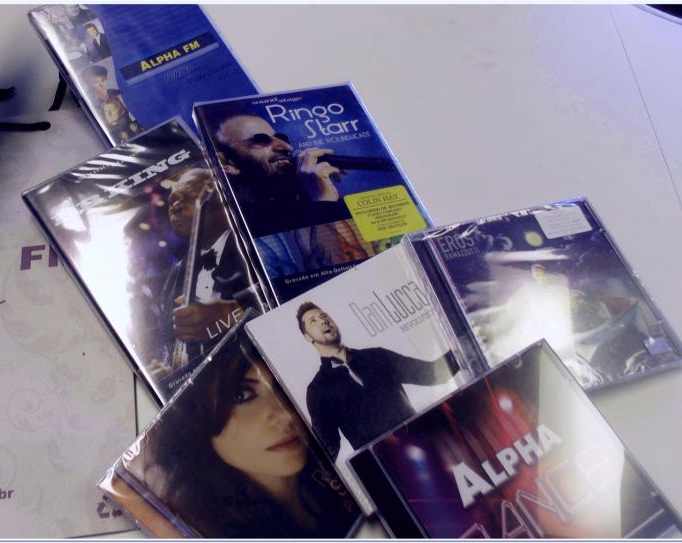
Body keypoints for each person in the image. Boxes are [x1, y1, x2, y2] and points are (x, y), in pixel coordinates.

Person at [141, 339, 357, 537]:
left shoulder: (346, 474)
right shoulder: (203, 531)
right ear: (196, 417)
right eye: (242, 395)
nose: (286, 414)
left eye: (281, 386)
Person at [296, 302, 460, 461]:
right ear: (308, 337)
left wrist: (466, 341)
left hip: (426, 451)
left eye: (324, 316)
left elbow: (431, 373)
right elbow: (327, 447)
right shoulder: (317, 390)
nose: (323, 321)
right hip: (384, 468)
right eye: (313, 321)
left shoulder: (377, 356)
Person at [151, 168, 259, 374]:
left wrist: (234, 311)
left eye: (189, 196)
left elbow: (290, 289)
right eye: (172, 202)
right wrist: (170, 370)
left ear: (223, 199)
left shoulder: (255, 242)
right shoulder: (174, 276)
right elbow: (170, 341)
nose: (176, 207)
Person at [210, 113, 351, 234]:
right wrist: (323, 201)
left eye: (282, 138)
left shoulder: (300, 198)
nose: (287, 147)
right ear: (226, 162)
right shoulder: (235, 225)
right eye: (260, 140)